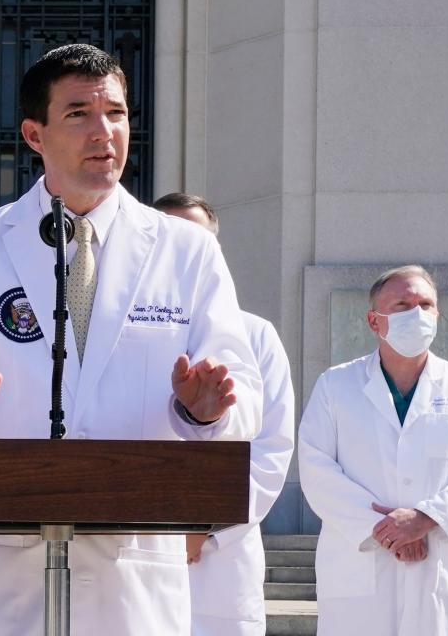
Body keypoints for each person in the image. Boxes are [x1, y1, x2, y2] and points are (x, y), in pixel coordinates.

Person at [0, 45, 262, 636]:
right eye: (78, 113)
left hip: (129, 576)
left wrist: (203, 410)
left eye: (117, 114)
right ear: (34, 134)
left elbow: (245, 392)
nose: (103, 132)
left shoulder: (187, 251)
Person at [298, 265, 448, 636]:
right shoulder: (336, 386)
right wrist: (387, 531)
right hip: (361, 564)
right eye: (401, 305)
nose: (417, 314)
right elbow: (316, 469)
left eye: (426, 305)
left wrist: (426, 519)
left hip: (444, 565)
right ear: (373, 321)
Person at [153, 193, 295, 636]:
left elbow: (271, 447)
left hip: (223, 553)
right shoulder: (119, 327)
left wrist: (206, 528)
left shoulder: (255, 335)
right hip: (136, 544)